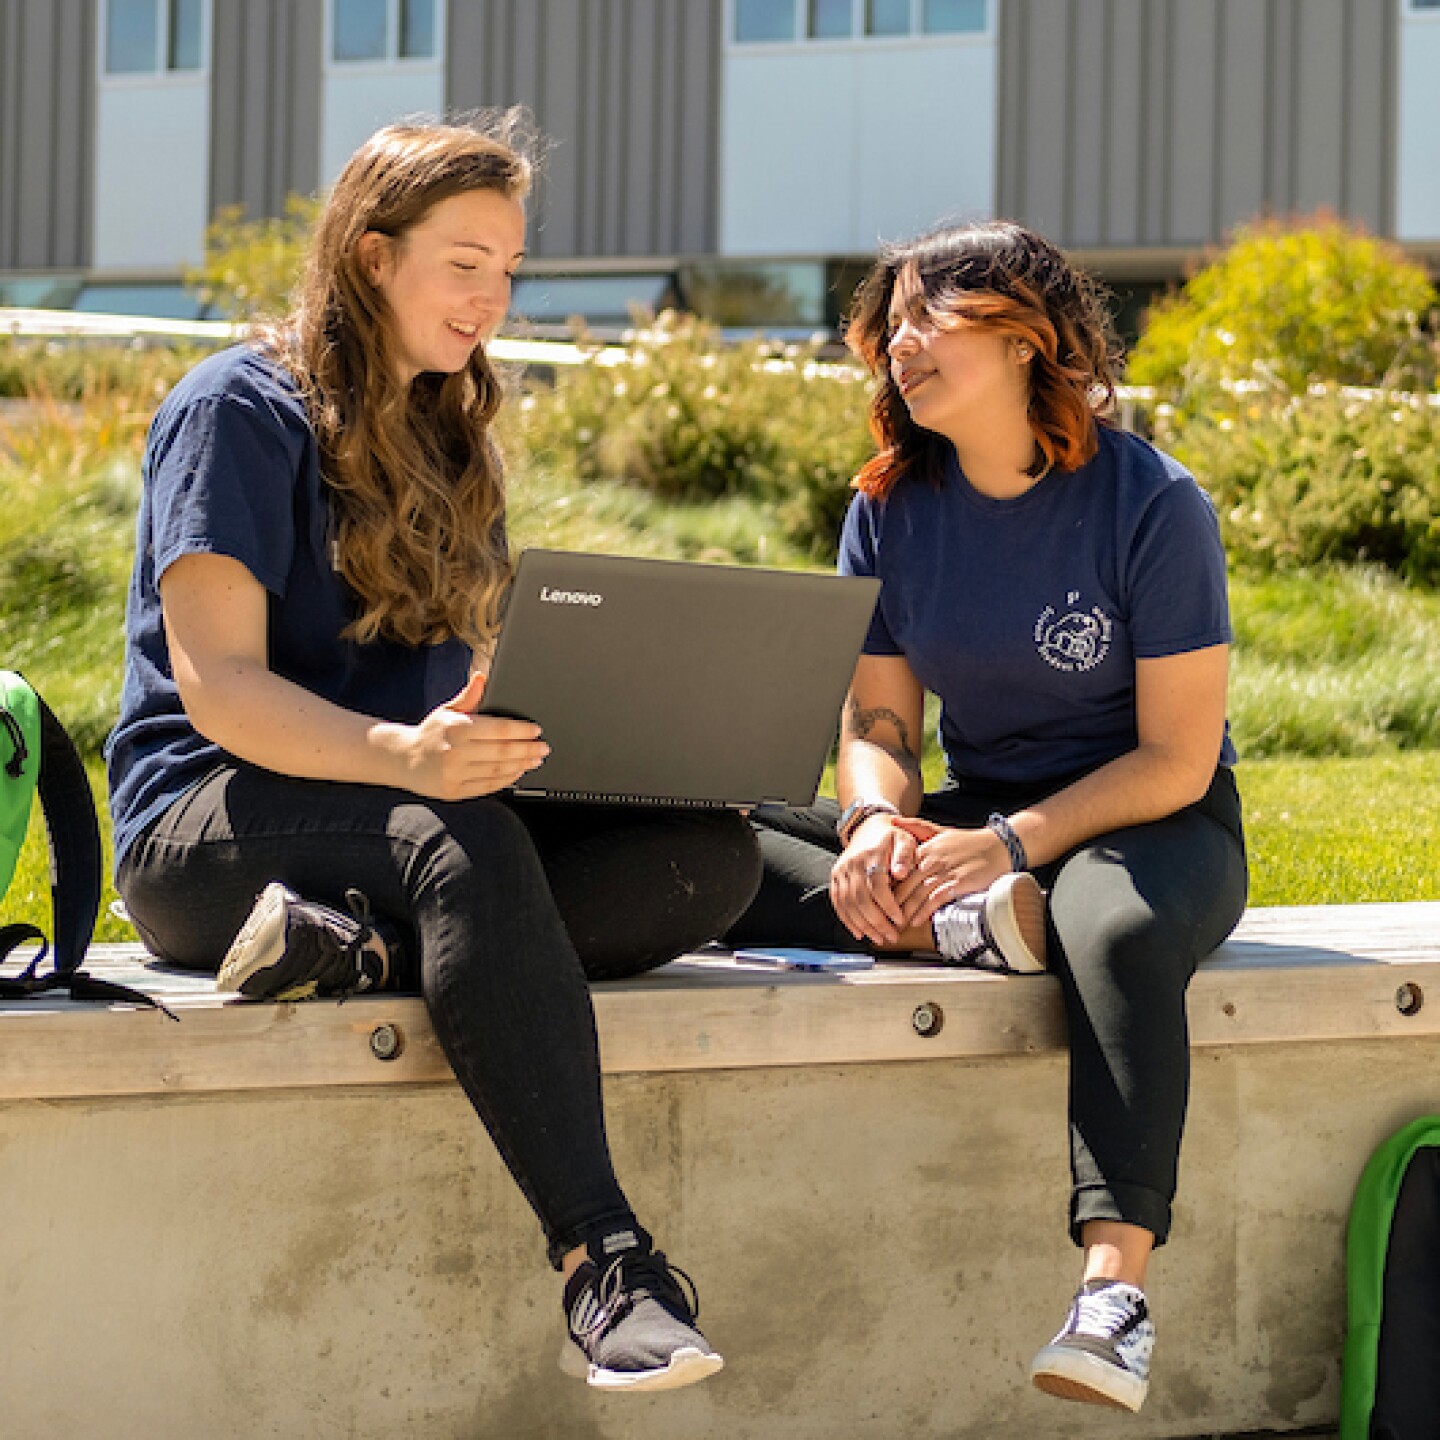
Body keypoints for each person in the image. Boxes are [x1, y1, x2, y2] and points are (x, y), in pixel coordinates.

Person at [105, 114, 760, 1394]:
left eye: (508, 269)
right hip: (207, 822)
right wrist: (407, 755)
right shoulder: (235, 410)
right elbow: (220, 685)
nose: (491, 297)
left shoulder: (451, 433)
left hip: (400, 806)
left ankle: (352, 947)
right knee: (452, 842)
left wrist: (555, 721)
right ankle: (604, 1264)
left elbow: (454, 697)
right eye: (465, 262)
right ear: (369, 255)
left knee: (706, 853)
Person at [727, 221, 1248, 1413]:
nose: (898, 347)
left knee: (1105, 931)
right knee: (715, 828)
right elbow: (882, 730)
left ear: (1023, 337)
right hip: (979, 826)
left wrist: (1010, 846)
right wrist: (870, 832)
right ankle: (964, 921)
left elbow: (1176, 757)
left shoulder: (1152, 504)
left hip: (1153, 823)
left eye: (927, 319)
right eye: (889, 327)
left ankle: (1112, 1300)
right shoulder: (892, 507)